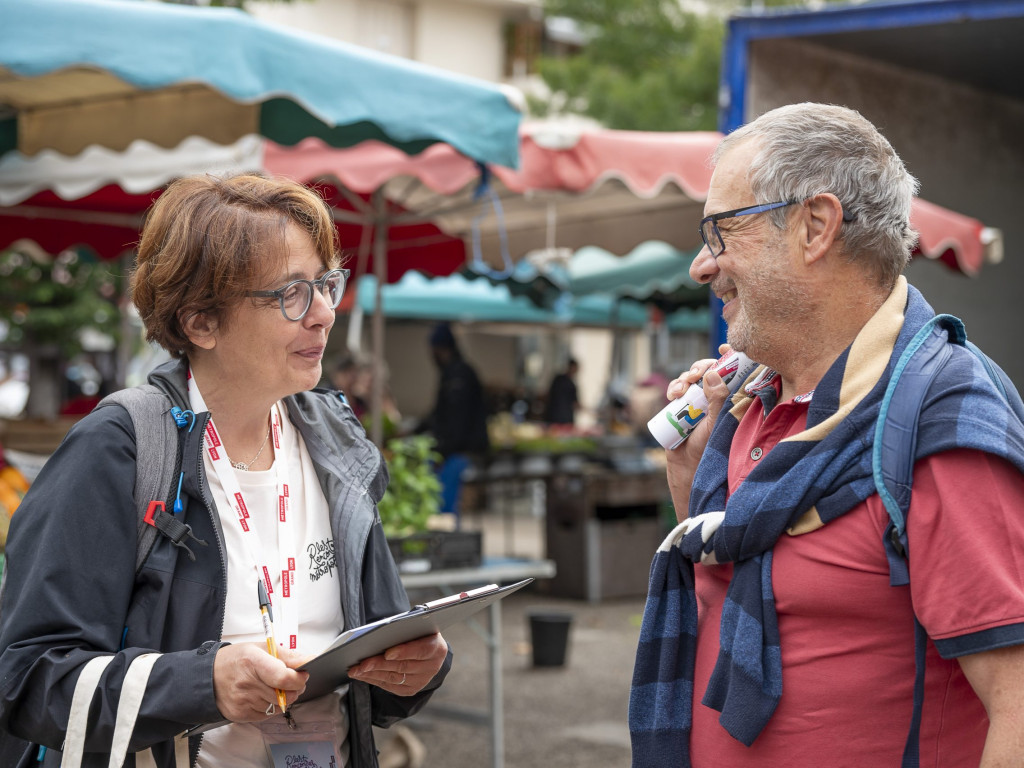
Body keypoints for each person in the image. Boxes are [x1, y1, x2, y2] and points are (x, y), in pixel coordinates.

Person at [0, 173, 451, 767]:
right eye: (292, 292)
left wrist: (417, 670)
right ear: (200, 322)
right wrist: (202, 684)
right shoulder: (118, 449)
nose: (322, 314)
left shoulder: (334, 439)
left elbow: (375, 661)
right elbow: (27, 680)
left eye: (325, 284)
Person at [628, 104, 1024, 767]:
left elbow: (1017, 705)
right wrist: (691, 485)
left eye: (721, 231)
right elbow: (746, 605)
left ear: (815, 226)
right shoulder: (750, 402)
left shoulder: (944, 420)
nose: (702, 265)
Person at [425, 323, 489, 516]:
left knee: (444, 505)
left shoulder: (457, 375)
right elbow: (438, 415)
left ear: (441, 349)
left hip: (462, 452)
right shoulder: (455, 373)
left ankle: (447, 538)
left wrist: (441, 453)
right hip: (457, 449)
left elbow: (456, 421)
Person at [543, 358, 579, 425]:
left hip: (553, 416)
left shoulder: (558, 379)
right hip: (563, 418)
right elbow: (575, 404)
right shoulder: (569, 384)